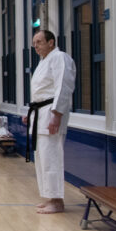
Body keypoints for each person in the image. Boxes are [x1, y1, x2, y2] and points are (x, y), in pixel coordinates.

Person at [24, 29, 76, 214]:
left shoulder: (60, 58)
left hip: (51, 114)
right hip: (40, 113)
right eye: (34, 42)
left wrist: (57, 114)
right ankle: (50, 197)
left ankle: (57, 201)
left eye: (39, 42)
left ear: (51, 42)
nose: (35, 46)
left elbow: (64, 86)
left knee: (51, 157)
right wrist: (29, 115)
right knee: (42, 158)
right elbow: (40, 93)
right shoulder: (44, 62)